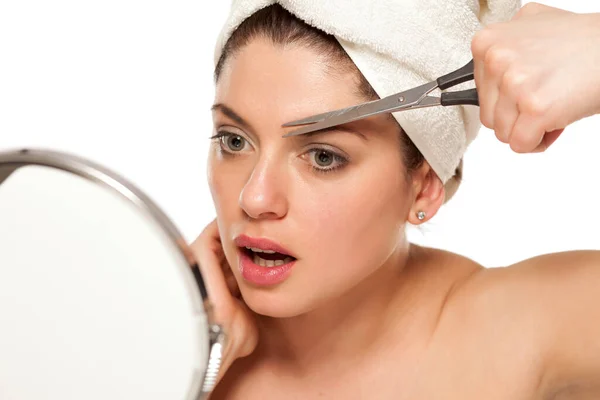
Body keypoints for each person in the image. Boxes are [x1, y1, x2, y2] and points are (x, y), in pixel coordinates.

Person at [192, 2, 600, 398]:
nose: (255, 197)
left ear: (423, 186)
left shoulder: (524, 334)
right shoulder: (155, 333)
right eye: (234, 140)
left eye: (323, 157)